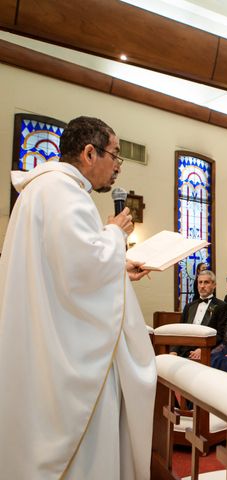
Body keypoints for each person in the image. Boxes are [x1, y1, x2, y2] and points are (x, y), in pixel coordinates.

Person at [0, 116, 156, 479]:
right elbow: (83, 266)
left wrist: (119, 265)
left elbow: (66, 270)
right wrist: (115, 235)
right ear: (90, 152)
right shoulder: (65, 192)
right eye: (115, 155)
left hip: (44, 335)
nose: (117, 166)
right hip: (67, 350)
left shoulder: (41, 190)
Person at [172, 270, 227, 359]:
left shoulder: (221, 306)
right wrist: (174, 350)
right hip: (184, 351)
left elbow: (221, 335)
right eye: (200, 282)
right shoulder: (189, 306)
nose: (202, 286)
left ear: (214, 285)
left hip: (206, 351)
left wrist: (202, 349)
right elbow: (181, 331)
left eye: (206, 282)